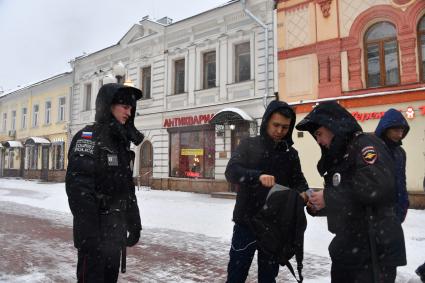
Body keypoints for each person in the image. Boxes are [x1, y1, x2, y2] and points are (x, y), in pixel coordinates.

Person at [296, 101, 406, 283]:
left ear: (333, 126)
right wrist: (319, 205)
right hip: (351, 250)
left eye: (319, 134)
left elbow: (375, 186)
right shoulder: (343, 154)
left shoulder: (365, 144)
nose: (319, 141)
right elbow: (352, 201)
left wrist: (329, 198)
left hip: (373, 252)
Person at [66, 83, 144, 283]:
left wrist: (134, 223)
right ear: (108, 105)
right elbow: (79, 190)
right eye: (124, 107)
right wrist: (91, 235)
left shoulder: (120, 142)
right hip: (93, 237)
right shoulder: (88, 137)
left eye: (131, 108)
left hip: (114, 236)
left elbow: (126, 188)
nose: (129, 112)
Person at [225, 100, 309, 283]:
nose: (279, 131)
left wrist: (303, 191)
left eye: (285, 127)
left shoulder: (290, 154)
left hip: (274, 227)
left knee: (268, 278)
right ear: (266, 122)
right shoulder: (248, 145)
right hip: (246, 223)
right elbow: (231, 172)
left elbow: (299, 180)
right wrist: (257, 176)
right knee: (236, 275)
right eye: (276, 125)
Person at [375, 108, 410, 223]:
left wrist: (404, 204)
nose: (400, 134)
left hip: (397, 212)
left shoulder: (400, 153)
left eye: (402, 131)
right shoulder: (373, 150)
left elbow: (401, 180)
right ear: (385, 129)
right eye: (396, 130)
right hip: (377, 214)